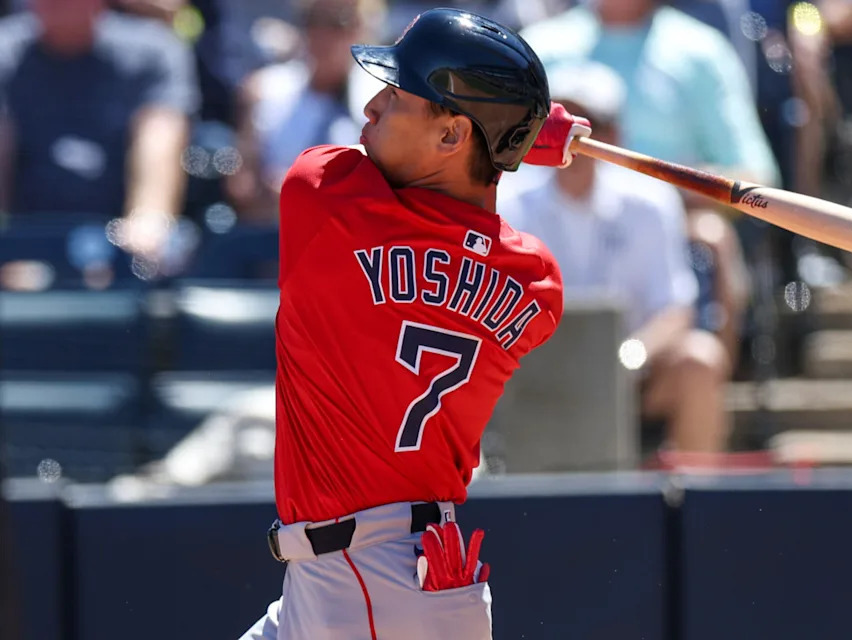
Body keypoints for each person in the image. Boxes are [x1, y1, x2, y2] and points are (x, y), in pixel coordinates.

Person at [239, 8, 588, 639]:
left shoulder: (323, 200)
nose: (371, 106)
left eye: (397, 96)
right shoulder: (535, 279)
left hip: (367, 586)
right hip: (398, 576)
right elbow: (459, 213)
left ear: (453, 134)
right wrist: (506, 135)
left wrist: (523, 135)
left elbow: (344, 168)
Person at [521, 0, 781, 364]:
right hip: (534, 215)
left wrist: (663, 195)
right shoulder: (537, 48)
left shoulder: (702, 50)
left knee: (712, 242)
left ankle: (706, 378)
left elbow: (756, 180)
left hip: (669, 220)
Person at [501, 60, 730, 455]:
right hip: (533, 372)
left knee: (699, 360)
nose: (569, 140)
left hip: (633, 377)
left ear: (614, 135)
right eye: (556, 126)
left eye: (585, 127)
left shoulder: (651, 202)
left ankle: (694, 493)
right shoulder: (510, 201)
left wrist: (626, 358)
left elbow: (674, 310)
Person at [0, 0, 198, 267]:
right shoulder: (5, 50)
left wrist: (147, 223)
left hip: (122, 237)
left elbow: (160, 137)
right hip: (25, 234)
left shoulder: (154, 49)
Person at [226, 0, 383, 220]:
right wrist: (277, 193)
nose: (322, 34)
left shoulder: (383, 100)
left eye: (338, 22)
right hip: (276, 227)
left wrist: (308, 192)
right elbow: (241, 186)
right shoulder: (265, 90)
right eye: (312, 20)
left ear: (363, 27)